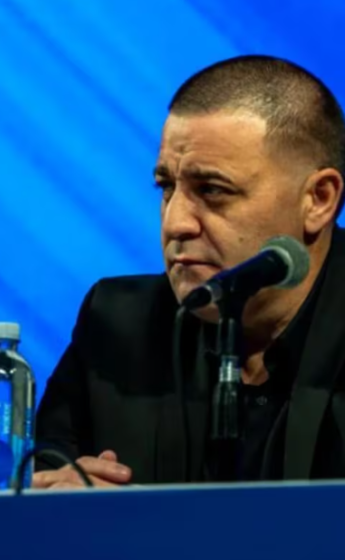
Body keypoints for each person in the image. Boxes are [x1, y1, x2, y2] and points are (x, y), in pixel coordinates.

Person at [34, 54, 345, 488]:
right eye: (167, 187)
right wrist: (46, 500)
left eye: (213, 190)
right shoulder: (118, 327)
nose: (175, 222)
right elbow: (36, 476)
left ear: (318, 199)